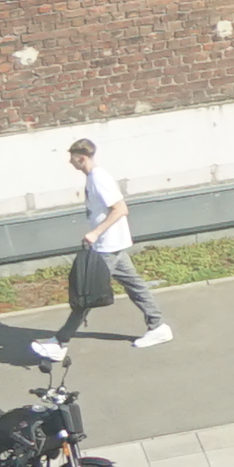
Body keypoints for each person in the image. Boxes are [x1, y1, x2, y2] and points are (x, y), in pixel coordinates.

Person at [57, 139, 173, 351]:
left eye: (71, 158)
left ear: (81, 157)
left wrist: (95, 233)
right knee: (136, 286)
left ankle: (60, 342)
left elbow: (120, 209)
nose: (70, 162)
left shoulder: (99, 178)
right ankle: (158, 327)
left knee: (87, 294)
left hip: (106, 247)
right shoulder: (94, 177)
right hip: (112, 246)